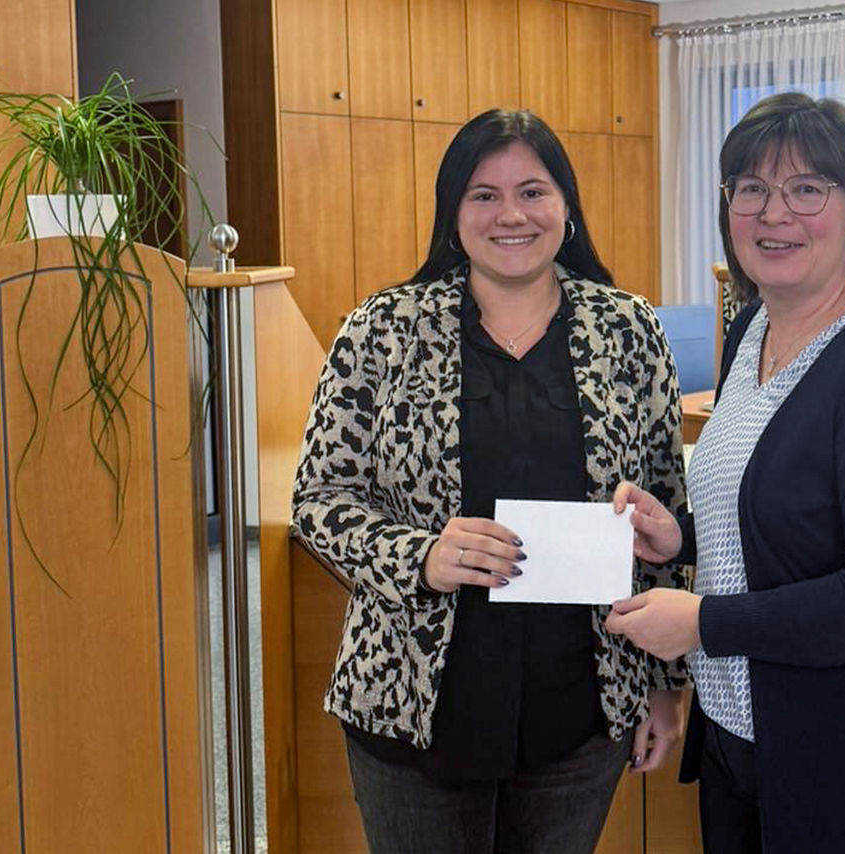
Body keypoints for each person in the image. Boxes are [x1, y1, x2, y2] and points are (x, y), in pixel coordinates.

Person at [291, 109, 690, 854]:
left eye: (533, 191)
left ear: (566, 208)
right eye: (483, 194)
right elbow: (318, 501)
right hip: (412, 707)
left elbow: (668, 516)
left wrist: (666, 684)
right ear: (453, 214)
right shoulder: (382, 329)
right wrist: (418, 556)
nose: (511, 214)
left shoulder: (630, 331)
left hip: (583, 709)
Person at [605, 92, 845, 853]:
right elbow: (782, 516)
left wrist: (703, 623)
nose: (775, 214)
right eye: (752, 189)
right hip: (740, 750)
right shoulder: (751, 328)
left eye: (807, 189)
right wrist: (681, 539)